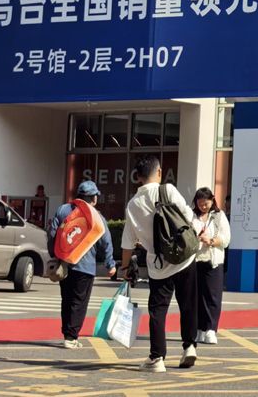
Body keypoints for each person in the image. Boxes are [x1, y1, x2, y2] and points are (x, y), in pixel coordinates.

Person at [119, 156, 199, 372]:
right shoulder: (168, 190)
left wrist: (125, 268)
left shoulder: (133, 205)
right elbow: (189, 216)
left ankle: (157, 358)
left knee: (158, 310)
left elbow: (127, 242)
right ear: (159, 172)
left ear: (138, 177)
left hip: (158, 265)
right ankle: (189, 347)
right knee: (188, 304)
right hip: (184, 258)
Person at [47, 181, 115, 349]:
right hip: (85, 267)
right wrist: (110, 264)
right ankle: (71, 337)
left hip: (64, 263)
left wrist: (55, 255)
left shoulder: (63, 210)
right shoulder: (96, 216)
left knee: (66, 299)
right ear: (93, 198)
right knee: (79, 302)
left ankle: (67, 333)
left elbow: (52, 234)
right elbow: (106, 242)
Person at [192, 188, 230, 346]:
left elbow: (226, 239)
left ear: (212, 200)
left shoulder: (219, 216)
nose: (203, 207)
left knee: (212, 297)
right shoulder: (191, 216)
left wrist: (212, 241)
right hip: (194, 261)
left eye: (206, 203)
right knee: (196, 297)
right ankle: (199, 329)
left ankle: (211, 329)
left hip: (213, 261)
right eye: (200, 203)